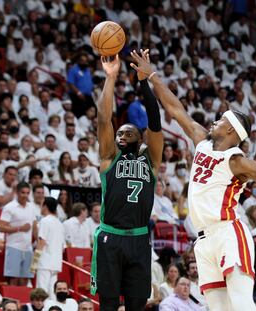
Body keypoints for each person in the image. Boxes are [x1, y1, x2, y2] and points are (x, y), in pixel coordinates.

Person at [130, 49, 256, 311]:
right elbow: (175, 107)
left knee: (241, 304)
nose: (213, 122)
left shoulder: (237, 160)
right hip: (203, 240)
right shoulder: (201, 141)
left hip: (229, 232)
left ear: (230, 129)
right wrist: (152, 75)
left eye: (219, 120)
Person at [90, 52, 163, 311]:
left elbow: (155, 122)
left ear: (139, 138)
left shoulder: (151, 161)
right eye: (119, 132)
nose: (121, 134)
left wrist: (144, 82)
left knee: (137, 304)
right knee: (108, 304)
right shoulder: (109, 157)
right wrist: (111, 78)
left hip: (140, 239)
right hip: (111, 236)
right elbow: (103, 118)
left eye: (128, 132)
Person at [0, 182, 37, 285]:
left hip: (28, 248)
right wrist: (20, 228)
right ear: (17, 192)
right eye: (23, 193)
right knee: (13, 279)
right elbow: (1, 227)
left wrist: (38, 241)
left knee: (25, 279)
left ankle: (23, 300)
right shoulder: (9, 207)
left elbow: (34, 226)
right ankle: (12, 301)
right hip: (14, 247)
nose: (25, 195)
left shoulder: (31, 207)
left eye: (27, 193)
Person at [30, 197, 65, 299]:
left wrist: (34, 263)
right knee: (52, 294)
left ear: (45, 206)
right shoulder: (60, 223)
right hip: (56, 263)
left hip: (44, 262)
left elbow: (41, 242)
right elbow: (62, 246)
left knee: (41, 291)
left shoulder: (45, 221)